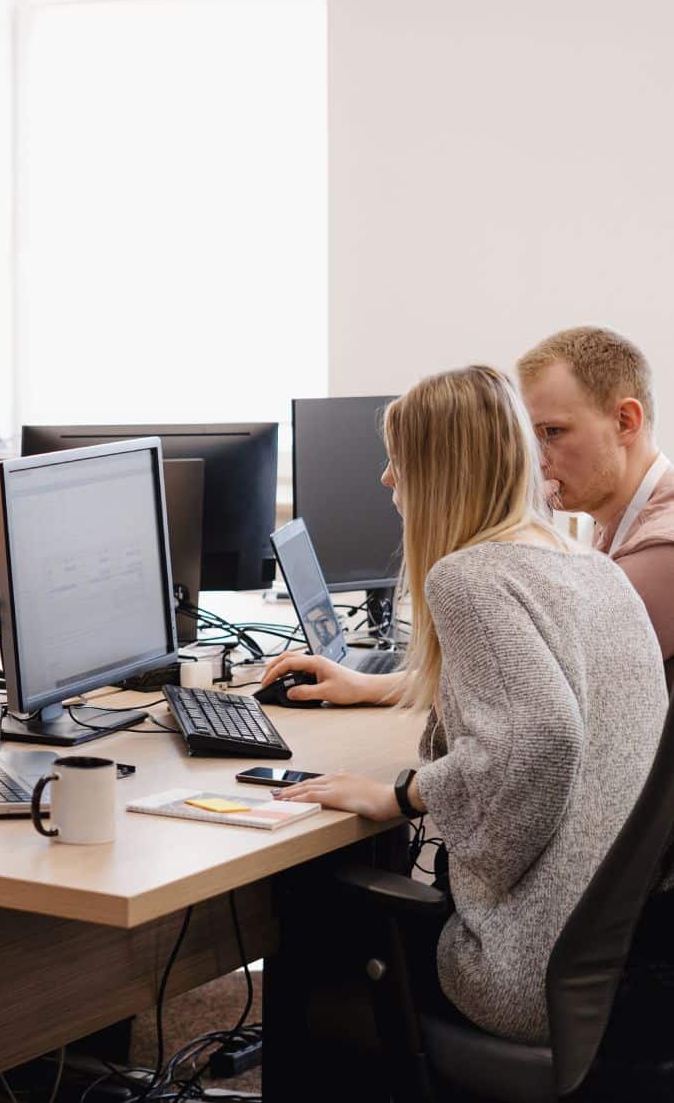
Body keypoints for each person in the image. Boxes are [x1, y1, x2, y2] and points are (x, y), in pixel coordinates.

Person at [268, 366, 667, 1044]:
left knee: (307, 901)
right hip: (619, 970)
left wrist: (403, 796)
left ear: (438, 471)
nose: (388, 481)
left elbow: (540, 738)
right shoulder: (591, 566)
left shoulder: (468, 576)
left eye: (398, 462)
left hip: (526, 974)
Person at [517, 326, 674, 688]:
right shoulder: (609, 526)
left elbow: (537, 683)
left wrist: (512, 521)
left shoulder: (662, 546)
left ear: (625, 422)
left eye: (552, 433)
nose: (536, 460)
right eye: (530, 438)